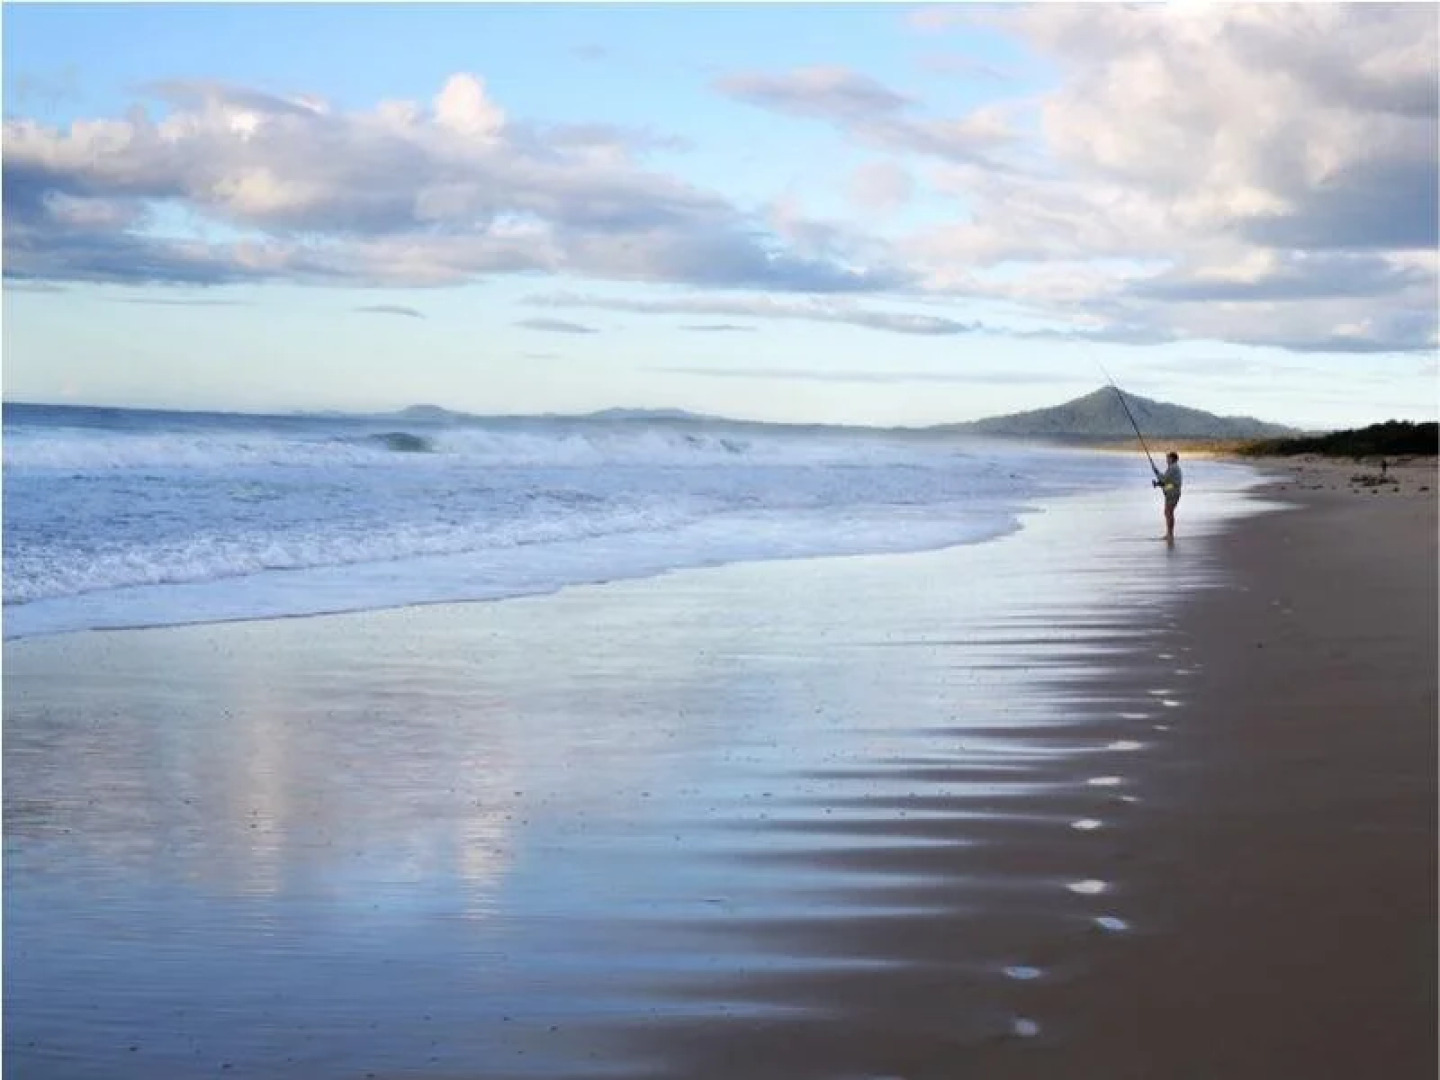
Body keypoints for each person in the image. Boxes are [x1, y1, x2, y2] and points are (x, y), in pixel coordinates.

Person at [1153, 451, 1182, 541]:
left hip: (1173, 493)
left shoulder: (1173, 468)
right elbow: (1168, 482)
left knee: (1168, 512)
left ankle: (1170, 534)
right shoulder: (1173, 468)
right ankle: (1169, 534)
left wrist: (1157, 472)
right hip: (1172, 492)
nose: (1167, 460)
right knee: (1168, 512)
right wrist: (1158, 484)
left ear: (1172, 459)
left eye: (1168, 458)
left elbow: (1164, 479)